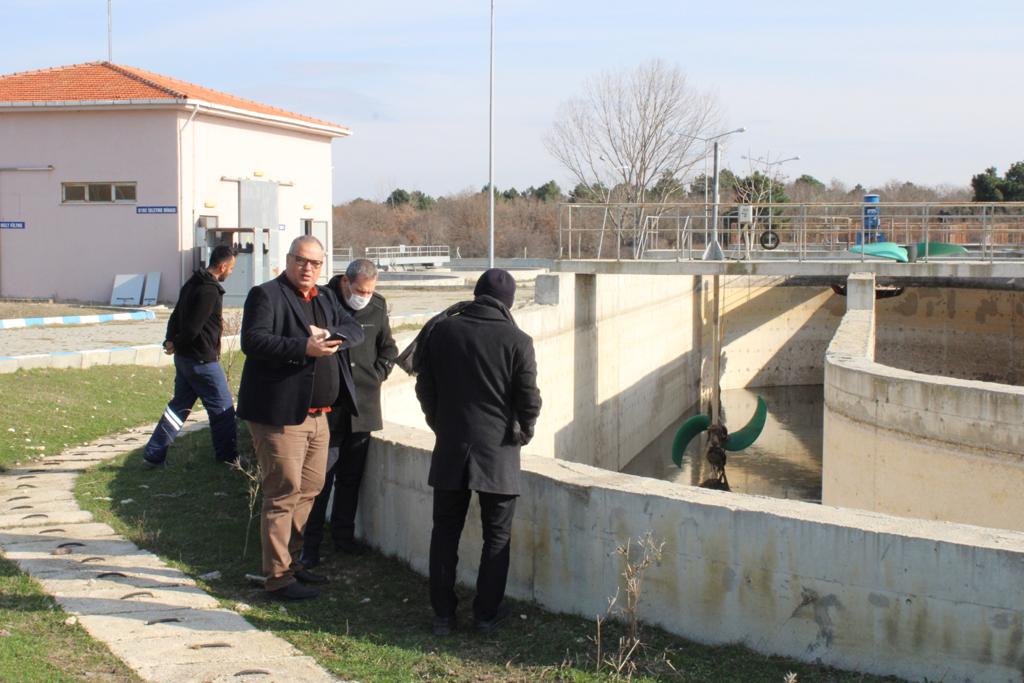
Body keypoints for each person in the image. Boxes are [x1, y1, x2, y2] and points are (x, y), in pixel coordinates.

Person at [236, 235, 365, 601]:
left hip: (319, 416)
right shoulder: (266, 295)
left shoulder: (325, 297)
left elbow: (353, 329)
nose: (308, 268)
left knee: (310, 490)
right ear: (289, 260)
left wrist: (331, 335)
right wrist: (302, 348)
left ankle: (292, 564)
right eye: (301, 261)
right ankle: (276, 577)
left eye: (315, 263)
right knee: (283, 492)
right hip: (280, 416)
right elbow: (254, 341)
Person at [415, 268, 542, 635]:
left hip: (451, 446)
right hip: (498, 452)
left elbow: (425, 386)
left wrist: (440, 423)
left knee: (445, 533)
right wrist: (525, 430)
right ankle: (485, 616)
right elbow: (529, 399)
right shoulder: (518, 340)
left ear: (475, 293)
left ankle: (443, 616)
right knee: (497, 537)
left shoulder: (442, 331)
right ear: (508, 301)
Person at [301, 259, 398, 566]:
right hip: (330, 405)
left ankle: (343, 537)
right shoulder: (322, 302)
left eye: (370, 291)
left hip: (364, 406)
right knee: (320, 479)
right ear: (345, 282)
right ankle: (309, 546)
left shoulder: (378, 307)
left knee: (351, 477)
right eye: (360, 290)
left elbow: (388, 348)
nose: (365, 296)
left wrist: (378, 375)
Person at [143, 245, 238, 466]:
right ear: (222, 266)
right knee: (223, 408)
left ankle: (154, 454)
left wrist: (170, 340)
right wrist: (176, 342)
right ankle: (229, 459)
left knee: (179, 407)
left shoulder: (192, 282)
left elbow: (175, 315)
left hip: (185, 359)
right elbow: (195, 328)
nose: (231, 273)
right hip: (202, 361)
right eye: (231, 268)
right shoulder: (209, 290)